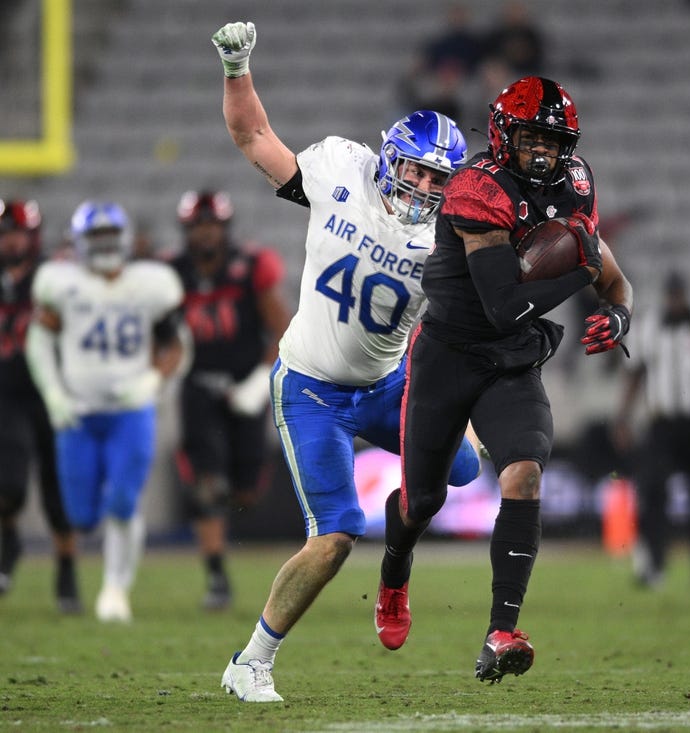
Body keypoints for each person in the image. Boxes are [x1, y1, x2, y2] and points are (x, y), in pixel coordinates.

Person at [209, 21, 482, 702]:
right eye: (416, 169)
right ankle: (251, 661)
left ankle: (397, 569)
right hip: (313, 389)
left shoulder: (451, 240)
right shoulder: (339, 174)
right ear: (391, 157)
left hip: (388, 384)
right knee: (334, 536)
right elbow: (252, 138)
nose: (423, 185)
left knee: (465, 466)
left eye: (437, 177)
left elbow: (469, 327)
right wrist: (237, 67)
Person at [374, 75, 634, 685]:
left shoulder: (574, 184)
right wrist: (580, 272)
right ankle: (394, 570)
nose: (542, 151)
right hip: (449, 352)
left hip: (511, 360)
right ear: (502, 133)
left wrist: (618, 315)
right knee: (422, 503)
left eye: (553, 139)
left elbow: (616, 280)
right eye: (531, 137)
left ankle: (502, 630)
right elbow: (503, 305)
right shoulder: (476, 187)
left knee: (523, 473)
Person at [24, 200, 186, 623]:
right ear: (78, 243)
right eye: (96, 238)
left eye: (110, 236)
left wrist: (152, 381)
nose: (105, 246)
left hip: (130, 413)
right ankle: (108, 579)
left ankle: (116, 590)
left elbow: (176, 344)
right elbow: (38, 341)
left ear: (126, 240)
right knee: (80, 516)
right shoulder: (61, 283)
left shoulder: (148, 284)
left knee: (122, 501)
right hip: (77, 413)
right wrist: (54, 394)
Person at [168, 189, 291, 611]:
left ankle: (229, 525)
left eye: (212, 225)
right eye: (198, 226)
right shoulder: (171, 273)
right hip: (198, 386)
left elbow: (282, 329)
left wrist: (259, 380)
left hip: (244, 384)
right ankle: (217, 576)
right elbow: (159, 336)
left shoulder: (249, 267)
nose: (205, 234)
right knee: (209, 487)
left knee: (245, 489)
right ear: (187, 230)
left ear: (224, 229)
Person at [611, 270, 690, 588]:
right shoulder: (649, 327)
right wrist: (623, 417)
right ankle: (654, 565)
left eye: (679, 295)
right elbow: (635, 374)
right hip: (662, 423)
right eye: (671, 296)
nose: (675, 301)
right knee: (653, 491)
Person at [0, 198, 81, 613]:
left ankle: (66, 569)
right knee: (8, 485)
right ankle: (9, 536)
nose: (11, 241)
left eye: (17, 234)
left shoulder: (54, 275)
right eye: (6, 234)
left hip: (51, 389)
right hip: (5, 391)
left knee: (59, 488)